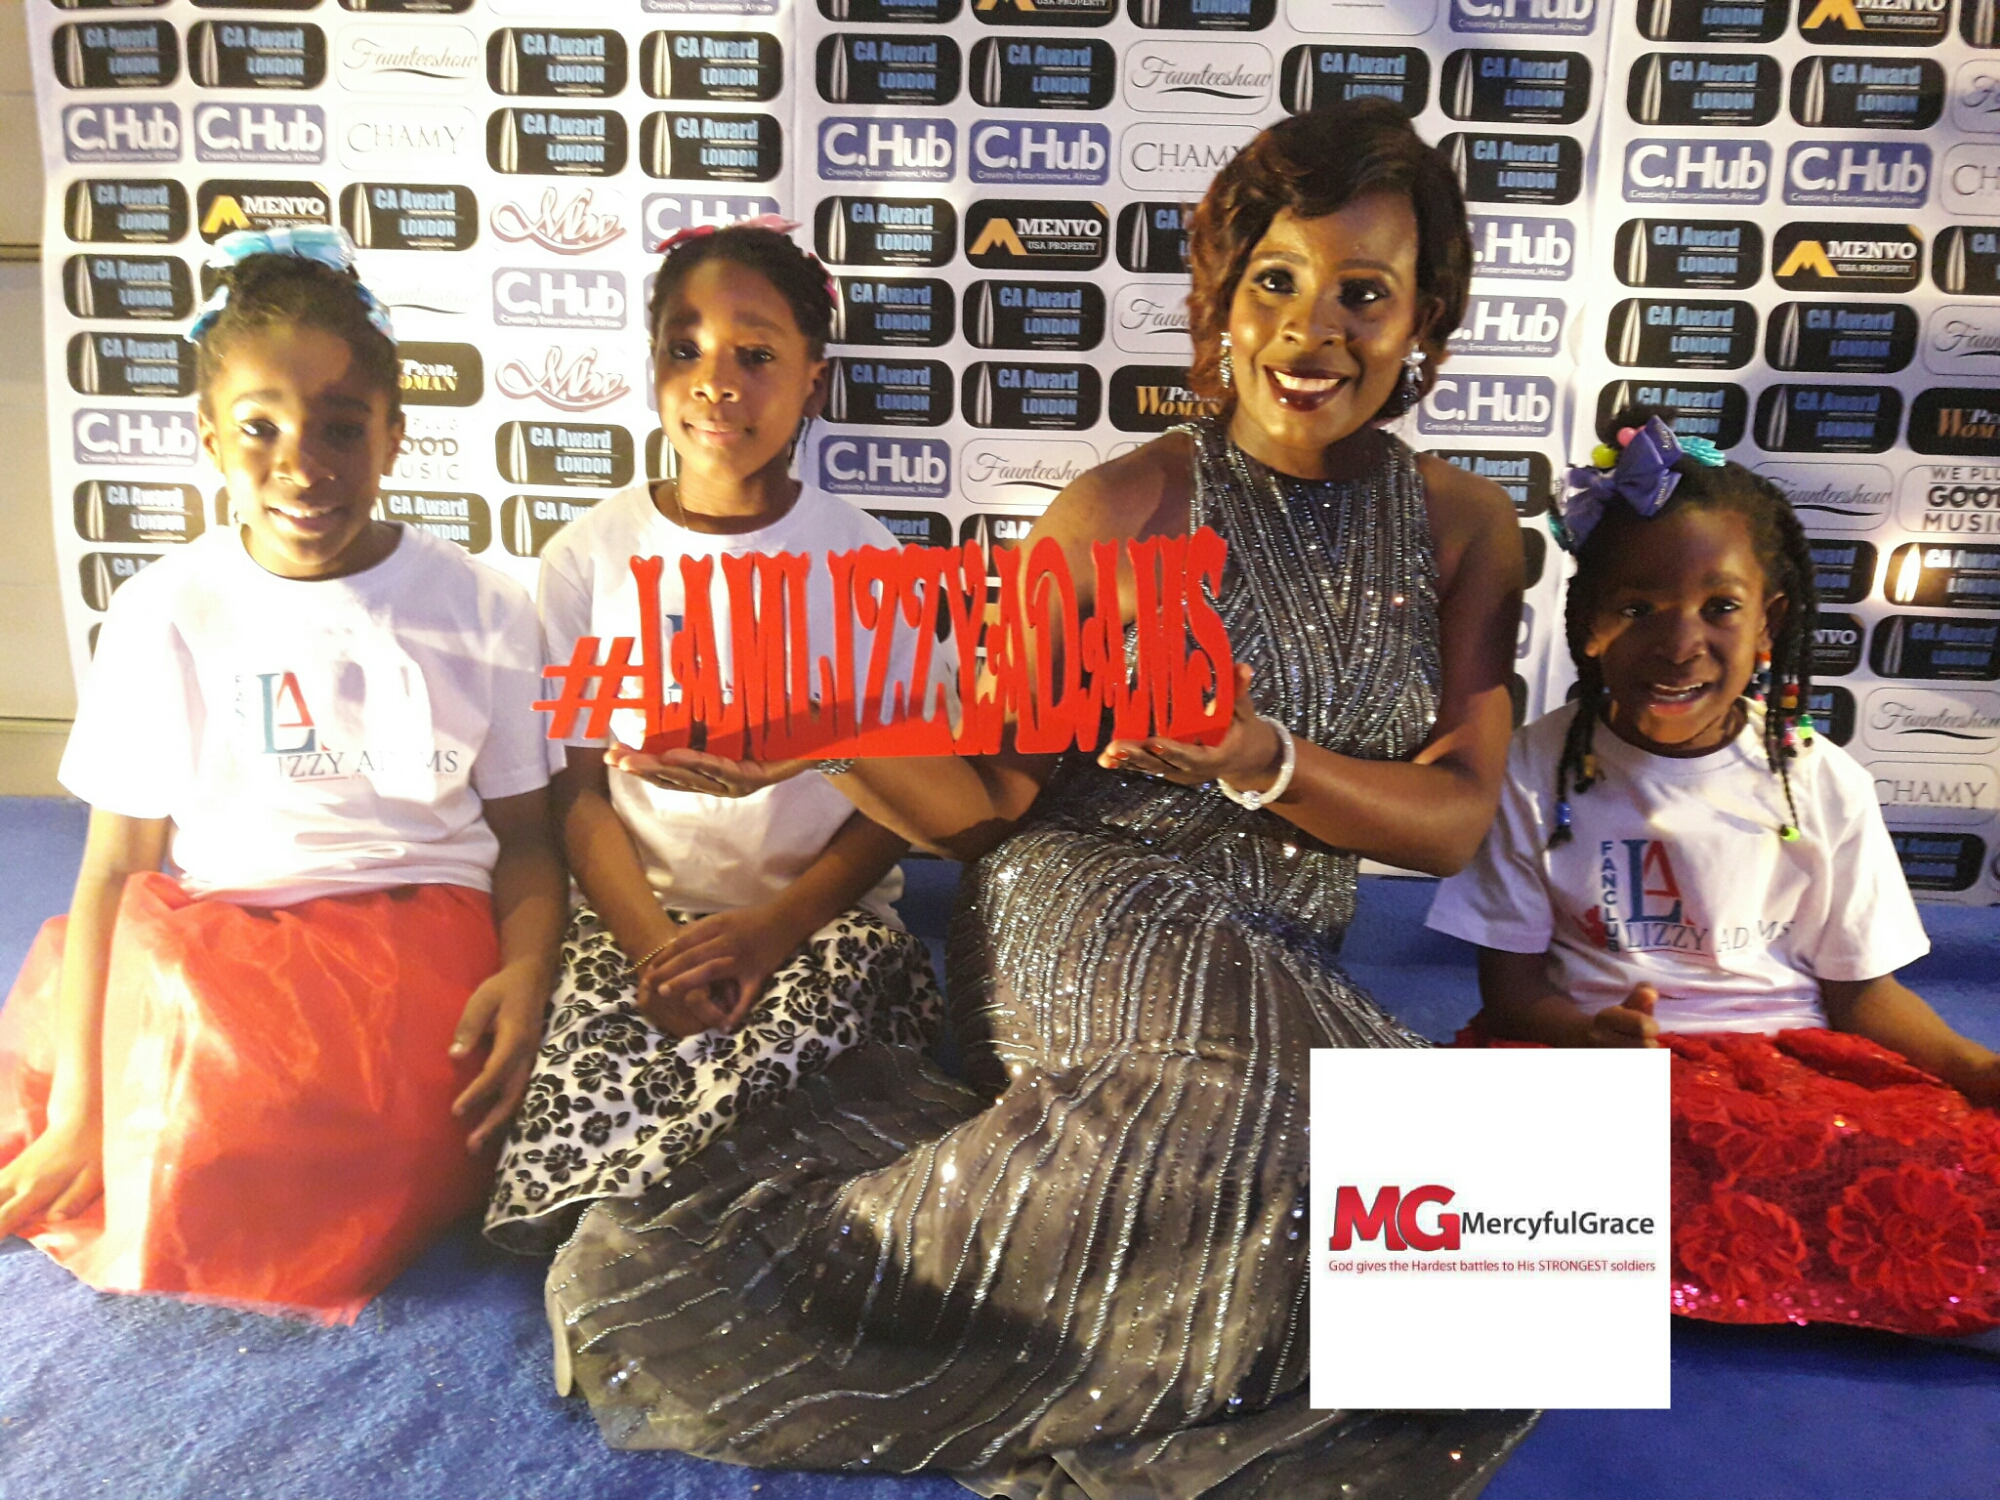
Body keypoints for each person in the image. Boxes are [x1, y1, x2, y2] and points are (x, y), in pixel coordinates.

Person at [546, 102, 1535, 1496]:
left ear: (1423, 315)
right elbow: (988, 806)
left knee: (1522, 1211)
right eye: (1274, 282)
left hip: (1274, 948)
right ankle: (838, 1281)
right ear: (1222, 301)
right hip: (1081, 899)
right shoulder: (1119, 510)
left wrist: (1258, 757)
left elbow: (1455, 823)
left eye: (1360, 293)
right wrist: (819, 731)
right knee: (1306, 1147)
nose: (1310, 332)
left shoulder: (1467, 526)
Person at [0, 228, 565, 1322]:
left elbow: (529, 840)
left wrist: (528, 972)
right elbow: (117, 866)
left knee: (292, 1126)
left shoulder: (482, 607)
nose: (303, 467)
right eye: (261, 428)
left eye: (342, 427)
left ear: (394, 436)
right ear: (210, 436)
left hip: (416, 937)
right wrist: (79, 1111)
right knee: (117, 1068)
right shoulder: (163, 609)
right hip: (221, 934)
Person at [1428, 412, 2000, 1344]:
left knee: (1933, 1161)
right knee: (1443, 1148)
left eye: (1719, 608)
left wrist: (1977, 1069)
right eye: (1637, 607)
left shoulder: (1819, 780)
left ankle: (1647, 1267)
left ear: (1769, 623)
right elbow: (1513, 995)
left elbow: (1861, 995)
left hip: (1784, 1075)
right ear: (1589, 623)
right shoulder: (1533, 770)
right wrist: (1585, 1035)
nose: (1678, 642)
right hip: (1599, 1065)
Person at [483, 221, 941, 1253]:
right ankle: (658, 1228)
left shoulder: (864, 561)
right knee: (574, 1102)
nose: (715, 382)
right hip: (634, 926)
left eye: (756, 353)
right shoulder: (589, 559)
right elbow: (577, 792)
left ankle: (714, 1227)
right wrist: (653, 946)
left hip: (821, 927)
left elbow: (904, 802)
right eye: (683, 349)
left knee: (809, 1077)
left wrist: (774, 929)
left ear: (814, 379)